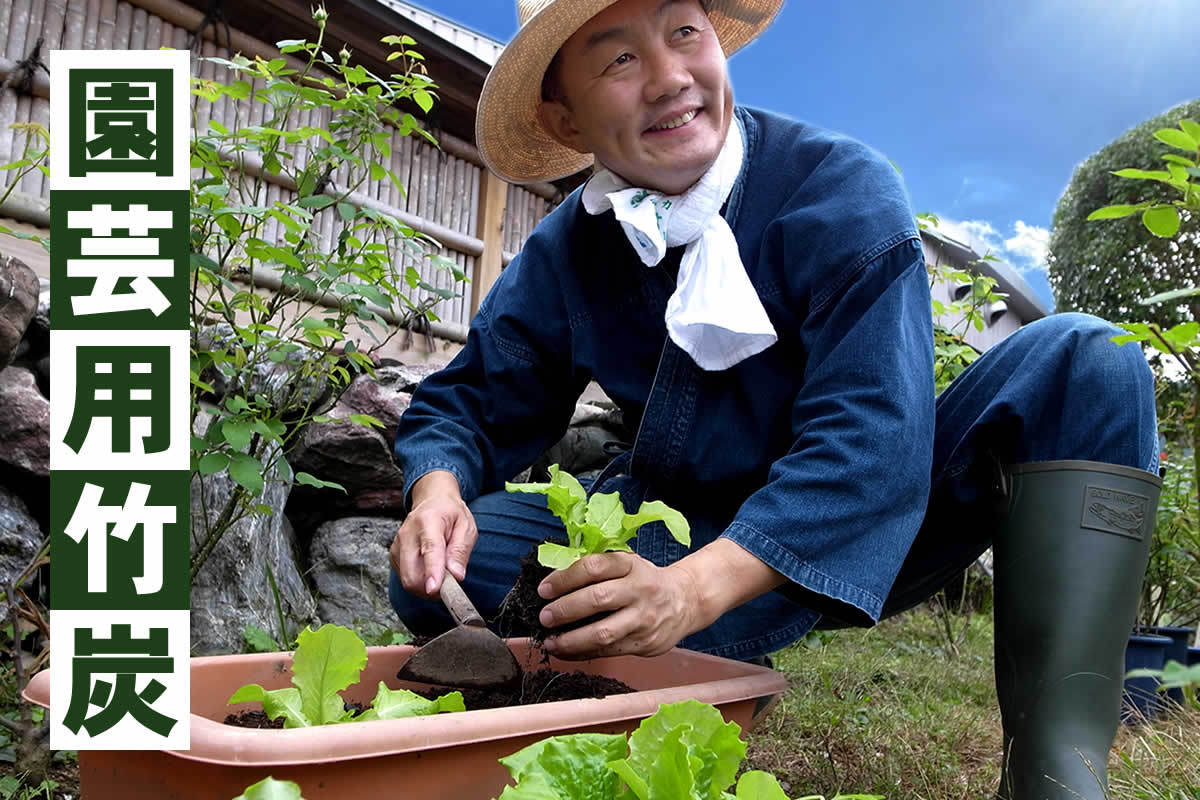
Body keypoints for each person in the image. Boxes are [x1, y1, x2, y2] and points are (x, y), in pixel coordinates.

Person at [388, 1, 1161, 798]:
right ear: (564, 115)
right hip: (674, 529)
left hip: (873, 516)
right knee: (450, 568)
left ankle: (1056, 770)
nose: (670, 79)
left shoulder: (839, 188)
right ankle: (684, 661)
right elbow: (471, 398)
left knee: (1089, 361)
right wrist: (436, 490)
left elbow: (871, 440)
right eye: (618, 60)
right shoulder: (570, 250)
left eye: (685, 34)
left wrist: (693, 592)